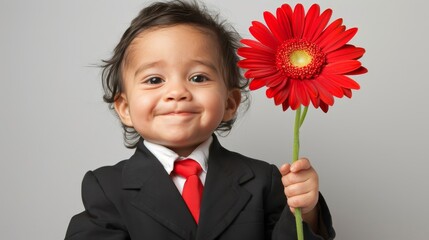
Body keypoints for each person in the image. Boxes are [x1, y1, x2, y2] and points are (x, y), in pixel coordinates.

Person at [65, 0, 335, 239]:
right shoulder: (107, 187)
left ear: (230, 103)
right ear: (124, 108)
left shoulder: (264, 180)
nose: (177, 92)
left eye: (198, 78)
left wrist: (305, 210)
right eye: (154, 79)